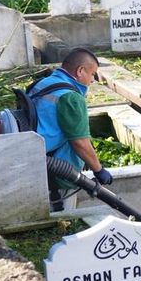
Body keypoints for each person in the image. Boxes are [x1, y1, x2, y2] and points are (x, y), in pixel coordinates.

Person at [30, 48, 112, 210]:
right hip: (57, 174)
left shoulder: (43, 83)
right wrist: (98, 170)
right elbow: (80, 142)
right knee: (62, 220)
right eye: (92, 74)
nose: (93, 80)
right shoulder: (71, 97)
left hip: (36, 162)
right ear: (80, 71)